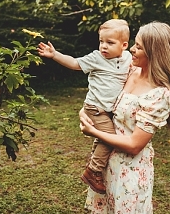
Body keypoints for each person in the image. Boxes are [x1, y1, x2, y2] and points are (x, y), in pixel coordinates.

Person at [79, 21, 170, 214]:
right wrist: (88, 111)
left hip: (130, 174)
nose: (132, 51)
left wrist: (92, 131)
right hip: (107, 167)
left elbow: (135, 144)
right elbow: (102, 91)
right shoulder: (131, 71)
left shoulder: (161, 94)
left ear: (155, 54)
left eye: (138, 47)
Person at [38, 20, 132, 194]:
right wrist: (55, 54)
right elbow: (74, 63)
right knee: (109, 137)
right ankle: (93, 171)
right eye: (101, 41)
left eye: (110, 43)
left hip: (109, 110)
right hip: (95, 108)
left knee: (103, 138)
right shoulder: (96, 58)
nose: (104, 46)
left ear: (124, 45)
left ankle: (93, 160)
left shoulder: (127, 59)